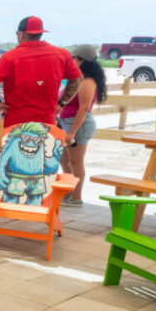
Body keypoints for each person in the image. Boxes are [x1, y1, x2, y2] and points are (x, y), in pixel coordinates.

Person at [0, 16, 81, 128]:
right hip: (47, 124)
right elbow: (77, 79)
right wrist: (61, 103)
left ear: (21, 34)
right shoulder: (62, 54)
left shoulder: (10, 57)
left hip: (16, 125)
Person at [56, 44, 107, 206]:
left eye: (72, 59)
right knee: (64, 161)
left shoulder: (87, 82)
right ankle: (69, 191)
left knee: (75, 162)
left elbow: (83, 108)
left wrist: (72, 132)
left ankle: (76, 197)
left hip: (78, 124)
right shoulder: (77, 79)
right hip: (65, 121)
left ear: (80, 61)